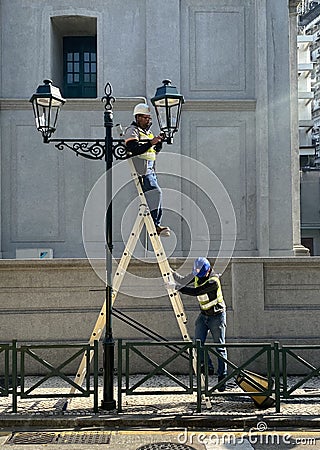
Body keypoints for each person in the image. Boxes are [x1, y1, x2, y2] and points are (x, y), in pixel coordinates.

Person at [172, 257, 228, 391]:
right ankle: (208, 366)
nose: (198, 277)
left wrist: (176, 288)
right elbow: (183, 279)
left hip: (217, 316)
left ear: (208, 270)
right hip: (204, 315)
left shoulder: (213, 281)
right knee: (198, 342)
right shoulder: (197, 273)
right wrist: (170, 272)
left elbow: (196, 291)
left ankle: (223, 379)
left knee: (220, 347)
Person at [124, 103, 170, 237]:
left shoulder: (148, 133)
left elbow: (154, 150)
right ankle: (155, 224)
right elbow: (134, 148)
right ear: (137, 117)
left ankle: (156, 223)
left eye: (149, 118)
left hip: (150, 169)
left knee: (157, 194)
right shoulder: (132, 131)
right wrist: (151, 142)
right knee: (156, 193)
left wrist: (158, 143)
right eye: (145, 118)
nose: (148, 121)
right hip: (142, 170)